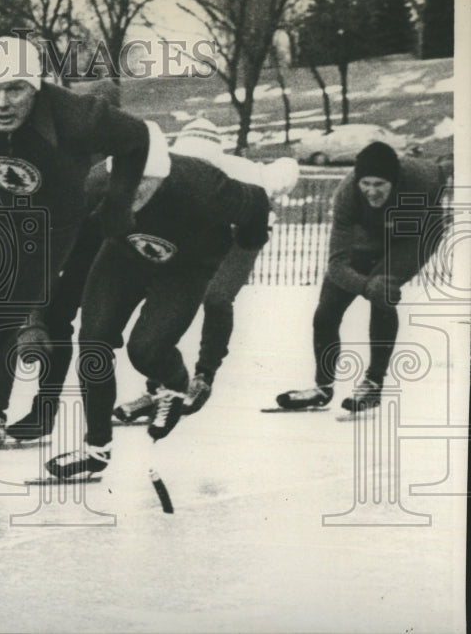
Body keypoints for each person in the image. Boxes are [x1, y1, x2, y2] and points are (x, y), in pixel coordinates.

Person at [0, 36, 163, 507]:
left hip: (46, 224)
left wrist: (119, 206)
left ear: (38, 86)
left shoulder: (77, 116)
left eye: (17, 89)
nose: (3, 103)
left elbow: (138, 138)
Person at [44, 149, 271, 481]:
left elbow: (257, 200)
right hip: (122, 256)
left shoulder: (202, 184)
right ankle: (97, 448)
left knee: (146, 350)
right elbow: (54, 246)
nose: (131, 190)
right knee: (93, 342)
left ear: (163, 176)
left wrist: (246, 240)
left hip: (185, 266)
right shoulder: (93, 184)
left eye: (144, 182)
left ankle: (175, 383)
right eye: (124, 181)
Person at [113, 119, 300, 424]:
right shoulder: (170, 172)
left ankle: (204, 375)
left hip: (241, 236)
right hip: (198, 236)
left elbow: (285, 170)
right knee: (165, 303)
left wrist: (274, 186)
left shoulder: (244, 173)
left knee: (216, 297)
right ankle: (162, 384)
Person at [275, 142, 450, 413]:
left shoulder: (424, 178)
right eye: (365, 183)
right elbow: (336, 265)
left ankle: (373, 383)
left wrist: (377, 287)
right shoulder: (346, 194)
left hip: (414, 238)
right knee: (325, 313)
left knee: (383, 293)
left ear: (394, 180)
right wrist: (365, 286)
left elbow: (449, 167)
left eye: (379, 184)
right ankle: (323, 386)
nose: (371, 190)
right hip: (366, 237)